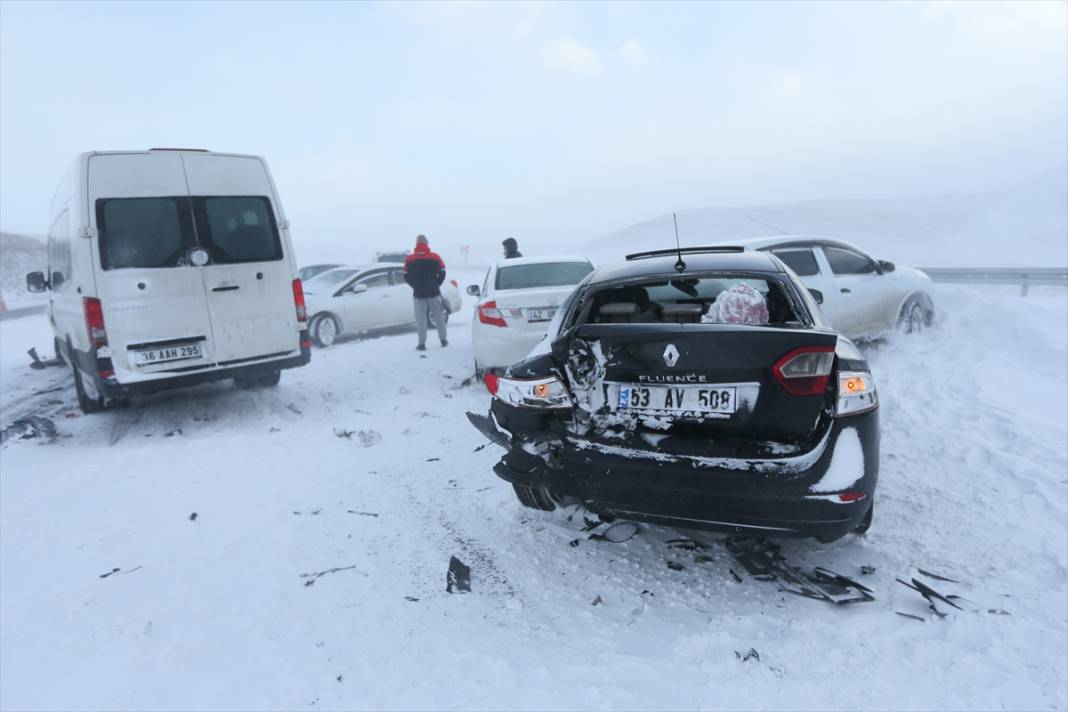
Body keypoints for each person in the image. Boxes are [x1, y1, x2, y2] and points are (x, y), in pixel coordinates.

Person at [403, 235, 448, 350]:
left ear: (416, 243)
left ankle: (422, 343)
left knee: (421, 319)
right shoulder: (435, 257)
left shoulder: (409, 259)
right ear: (426, 243)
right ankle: (443, 340)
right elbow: (443, 271)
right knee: (439, 317)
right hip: (433, 293)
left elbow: (406, 275)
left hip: (418, 294)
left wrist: (415, 286)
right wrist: (436, 284)